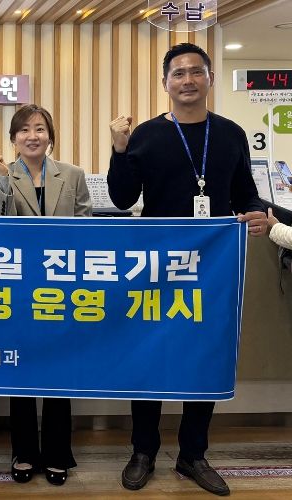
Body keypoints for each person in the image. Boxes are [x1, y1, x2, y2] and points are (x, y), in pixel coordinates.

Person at [107, 42, 267, 497]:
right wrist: (119, 148)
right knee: (149, 356)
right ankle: (143, 451)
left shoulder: (231, 134)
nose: (188, 80)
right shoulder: (147, 135)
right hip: (155, 266)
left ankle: (193, 454)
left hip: (212, 267)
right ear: (166, 83)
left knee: (204, 356)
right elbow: (121, 198)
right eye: (178, 73)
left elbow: (245, 192)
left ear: (210, 79)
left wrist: (256, 214)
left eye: (196, 72)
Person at [0, 104, 91, 486]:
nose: (32, 136)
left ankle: (58, 454)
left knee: (59, 371)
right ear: (13, 138)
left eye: (40, 129)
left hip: (62, 287)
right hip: (18, 286)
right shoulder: (2, 174)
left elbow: (86, 225)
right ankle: (24, 452)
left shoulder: (73, 174)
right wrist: (1, 179)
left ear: (50, 136)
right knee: (22, 370)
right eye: (24, 130)